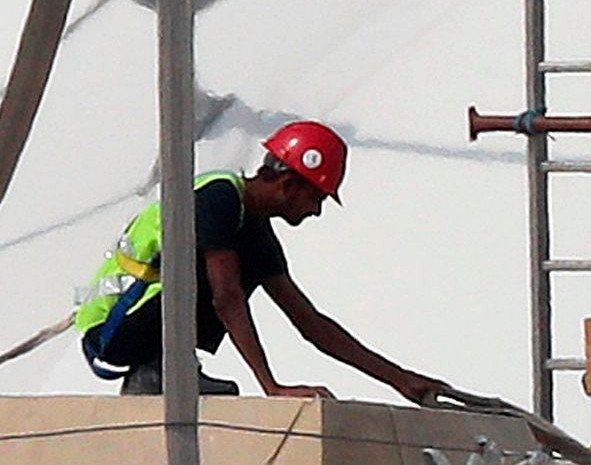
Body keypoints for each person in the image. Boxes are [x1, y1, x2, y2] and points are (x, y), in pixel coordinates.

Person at [71, 120, 457, 405]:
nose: (316, 212)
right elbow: (226, 296)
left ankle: (169, 366)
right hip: (113, 332)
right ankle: (155, 371)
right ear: (288, 184)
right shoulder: (219, 198)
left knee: (233, 267)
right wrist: (271, 387)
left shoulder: (252, 231)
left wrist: (399, 379)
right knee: (222, 273)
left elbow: (311, 323)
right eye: (316, 198)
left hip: (141, 325)